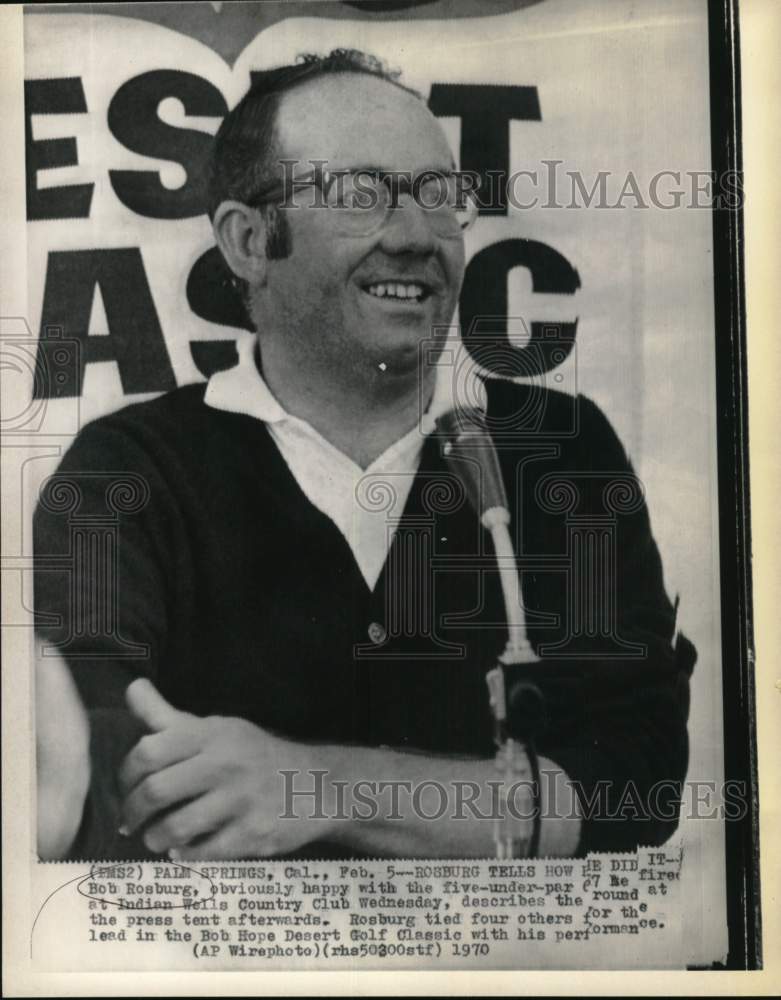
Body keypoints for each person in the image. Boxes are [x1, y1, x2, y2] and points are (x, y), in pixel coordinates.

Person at [33, 49, 694, 862]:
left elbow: (638, 784)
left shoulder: (558, 449)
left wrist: (315, 786)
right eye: (361, 194)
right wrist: (502, 801)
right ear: (247, 240)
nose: (418, 236)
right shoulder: (124, 470)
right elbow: (99, 771)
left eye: (439, 195)